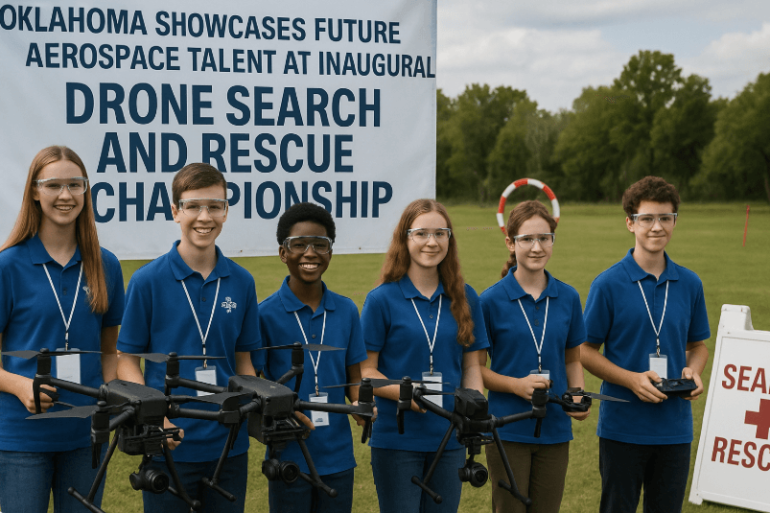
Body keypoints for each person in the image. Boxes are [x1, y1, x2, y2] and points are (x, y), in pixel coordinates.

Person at [116, 163, 261, 513]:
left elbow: (244, 363)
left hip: (228, 446)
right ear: (175, 211)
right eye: (193, 206)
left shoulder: (242, 281)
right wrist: (154, 418)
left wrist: (258, 407)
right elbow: (126, 361)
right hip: (168, 444)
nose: (204, 216)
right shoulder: (146, 280)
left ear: (226, 212)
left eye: (215, 206)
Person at [0, 146, 125, 513]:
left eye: (75, 184)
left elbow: (109, 354)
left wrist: (120, 399)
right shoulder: (9, 265)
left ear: (86, 192)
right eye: (54, 185)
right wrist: (20, 384)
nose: (66, 195)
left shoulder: (106, 265)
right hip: (22, 436)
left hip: (86, 436)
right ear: (35, 192)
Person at [581, 176, 710, 513]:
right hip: (622, 428)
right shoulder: (607, 284)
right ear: (630, 223)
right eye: (647, 218)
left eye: (665, 218)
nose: (657, 227)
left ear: (674, 222)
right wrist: (630, 379)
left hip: (675, 430)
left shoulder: (690, 283)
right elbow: (584, 350)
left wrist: (693, 371)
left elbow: (698, 345)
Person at [360, 198, 489, 513]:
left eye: (440, 233)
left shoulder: (466, 296)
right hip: (397, 440)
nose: (432, 242)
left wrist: (474, 410)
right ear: (405, 239)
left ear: (449, 239)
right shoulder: (381, 300)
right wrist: (408, 393)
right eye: (421, 234)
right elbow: (366, 372)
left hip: (450, 438)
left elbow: (473, 364)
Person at [256, 202, 369, 513]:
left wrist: (361, 403)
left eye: (320, 245)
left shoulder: (347, 310)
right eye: (299, 244)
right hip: (288, 453)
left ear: (330, 252)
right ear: (283, 253)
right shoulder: (264, 314)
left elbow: (354, 377)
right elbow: (255, 383)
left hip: (339, 456)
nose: (310, 253)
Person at [479, 200, 589, 513]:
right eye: (527, 239)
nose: (536, 247)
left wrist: (577, 396)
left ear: (553, 240)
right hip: (507, 427)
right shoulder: (489, 300)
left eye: (544, 238)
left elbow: (572, 359)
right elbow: (474, 370)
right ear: (510, 243)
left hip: (554, 428)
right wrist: (515, 385)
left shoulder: (568, 297)